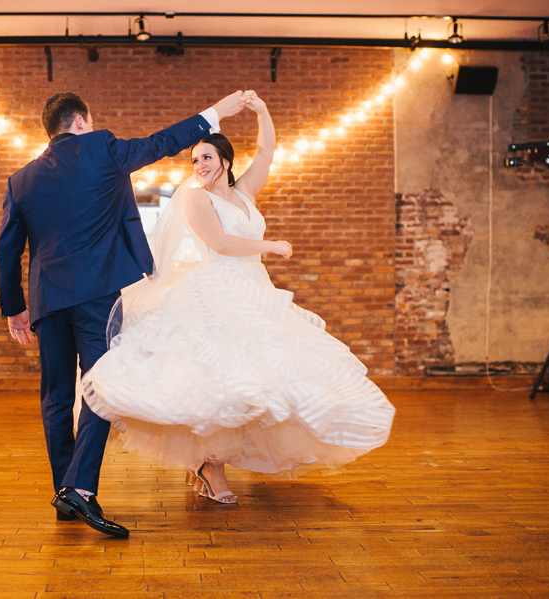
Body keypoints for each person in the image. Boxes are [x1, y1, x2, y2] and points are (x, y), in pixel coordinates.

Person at [81, 93, 395, 504]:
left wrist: (263, 110)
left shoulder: (244, 192)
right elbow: (219, 243)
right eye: (195, 160)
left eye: (207, 158)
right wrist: (272, 246)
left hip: (254, 291)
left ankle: (211, 463)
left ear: (225, 161)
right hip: (217, 288)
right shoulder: (196, 197)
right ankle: (211, 466)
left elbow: (266, 151)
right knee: (222, 380)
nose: (200, 167)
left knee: (263, 379)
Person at [0, 90, 252, 537]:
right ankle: (80, 488)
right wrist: (214, 114)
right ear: (81, 122)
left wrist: (14, 308)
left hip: (45, 299)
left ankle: (66, 494)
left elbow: (7, 249)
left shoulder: (22, 180)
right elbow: (161, 142)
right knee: (103, 388)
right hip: (95, 295)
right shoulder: (102, 148)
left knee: (57, 396)